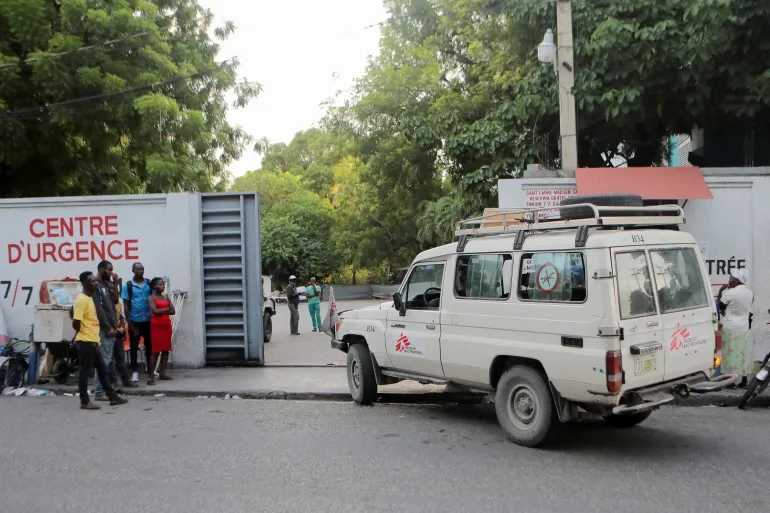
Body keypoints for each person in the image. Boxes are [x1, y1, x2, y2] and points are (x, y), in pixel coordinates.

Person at [72, 271, 127, 410]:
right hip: (85, 341)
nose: (95, 283)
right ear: (85, 283)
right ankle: (84, 401)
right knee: (85, 372)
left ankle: (113, 397)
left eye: (95, 280)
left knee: (102, 370)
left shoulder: (90, 298)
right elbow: (76, 322)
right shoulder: (82, 299)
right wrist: (82, 333)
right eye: (92, 281)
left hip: (93, 340)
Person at [93, 261, 136, 400]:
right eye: (109, 270)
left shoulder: (107, 284)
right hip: (104, 328)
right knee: (104, 361)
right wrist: (107, 327)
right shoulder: (96, 285)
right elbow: (99, 310)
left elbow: (116, 300)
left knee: (107, 360)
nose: (111, 272)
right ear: (101, 269)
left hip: (112, 327)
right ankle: (99, 392)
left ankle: (104, 390)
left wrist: (115, 282)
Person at [718, 269, 754, 388]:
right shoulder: (749, 293)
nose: (729, 280)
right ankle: (744, 381)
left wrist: (721, 291)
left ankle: (730, 382)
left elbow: (719, 306)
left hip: (730, 327)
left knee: (730, 354)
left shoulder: (730, 293)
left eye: (730, 278)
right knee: (742, 354)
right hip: (743, 327)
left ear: (736, 280)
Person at [121, 262, 153, 383]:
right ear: (133, 270)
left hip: (147, 320)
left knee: (149, 346)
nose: (141, 271)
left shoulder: (148, 284)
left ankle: (150, 369)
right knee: (134, 347)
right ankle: (135, 371)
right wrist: (129, 323)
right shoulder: (128, 286)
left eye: (142, 269)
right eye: (138, 269)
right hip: (135, 321)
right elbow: (126, 305)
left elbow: (153, 299)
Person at [147, 277, 175, 384]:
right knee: (155, 351)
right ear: (154, 286)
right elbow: (155, 311)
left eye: (163, 284)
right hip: (156, 326)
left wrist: (163, 310)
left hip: (166, 326)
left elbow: (173, 311)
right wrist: (166, 310)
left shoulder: (166, 297)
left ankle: (162, 373)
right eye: (160, 285)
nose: (162, 286)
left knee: (165, 350)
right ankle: (150, 377)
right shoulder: (151, 298)